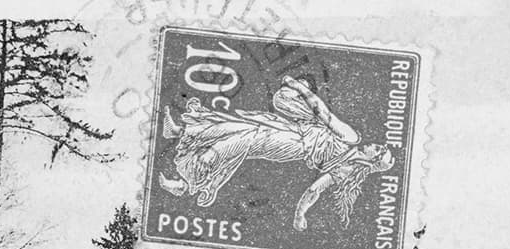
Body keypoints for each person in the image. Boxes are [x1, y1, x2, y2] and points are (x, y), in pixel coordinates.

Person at [158, 76, 396, 229]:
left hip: (294, 143)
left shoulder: (351, 141)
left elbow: (323, 114)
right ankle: (179, 132)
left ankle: (189, 181)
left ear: (373, 158)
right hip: (292, 131)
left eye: (380, 150)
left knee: (248, 137)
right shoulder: (347, 165)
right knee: (243, 126)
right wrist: (299, 216)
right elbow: (314, 189)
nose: (376, 145)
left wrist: (298, 86)